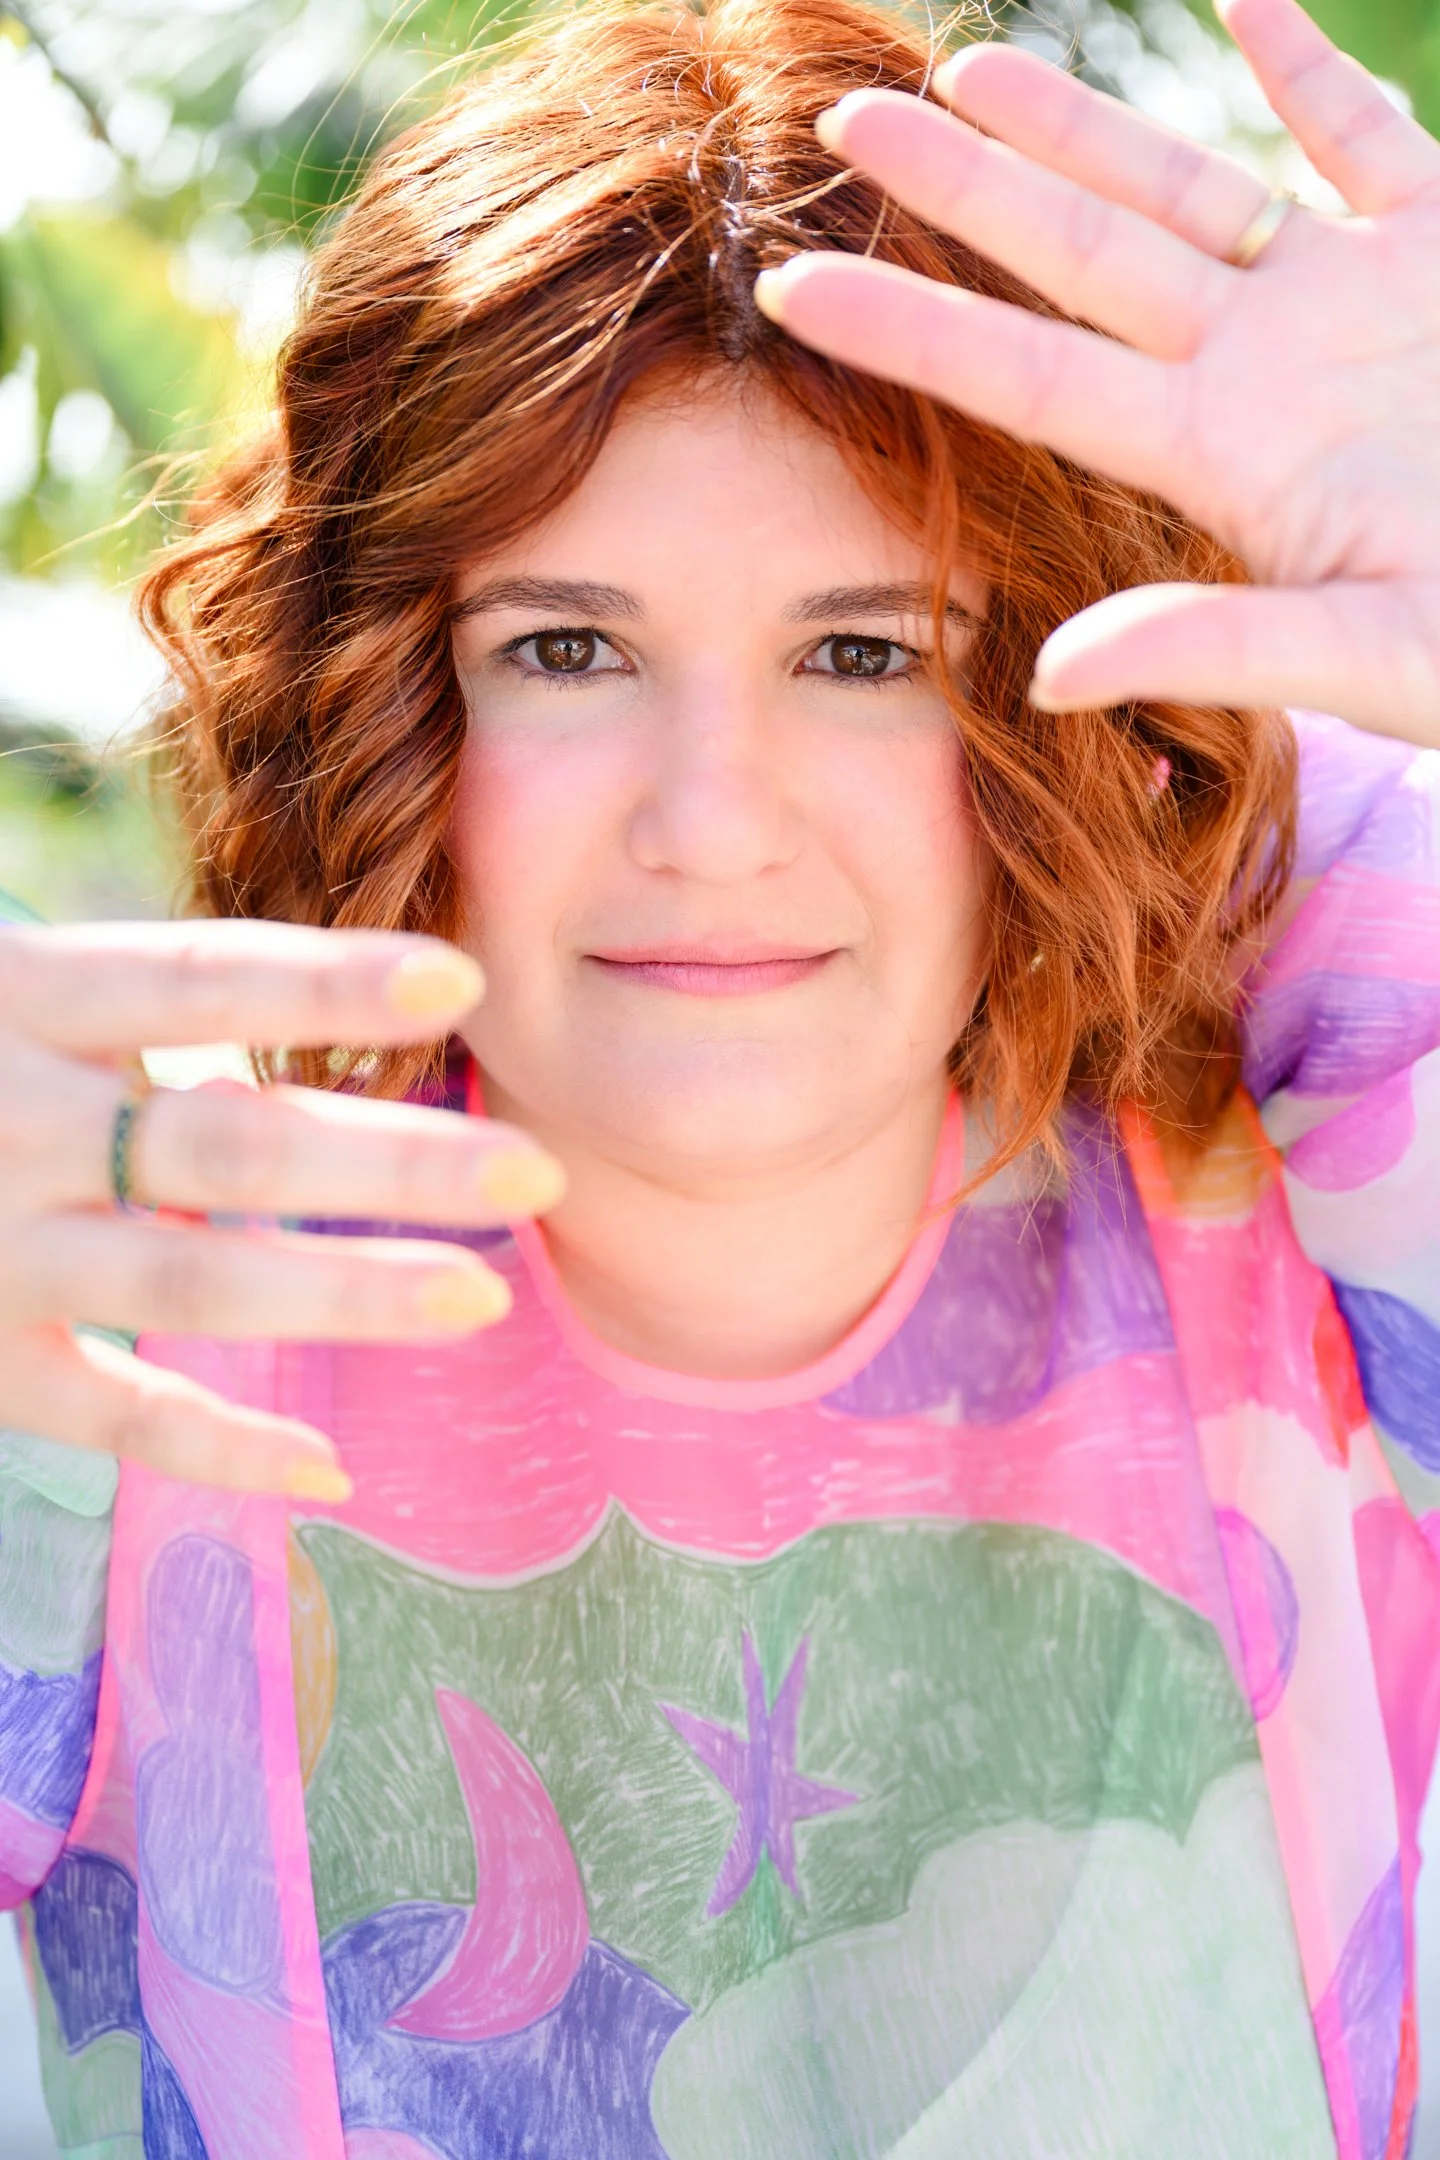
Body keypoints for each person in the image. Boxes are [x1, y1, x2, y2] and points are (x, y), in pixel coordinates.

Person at [2, 0, 1438, 2150]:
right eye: (565, 648)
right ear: (398, 711)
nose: (712, 814)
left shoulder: (1304, 1068)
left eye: (864, 654)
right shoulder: (112, 1300)